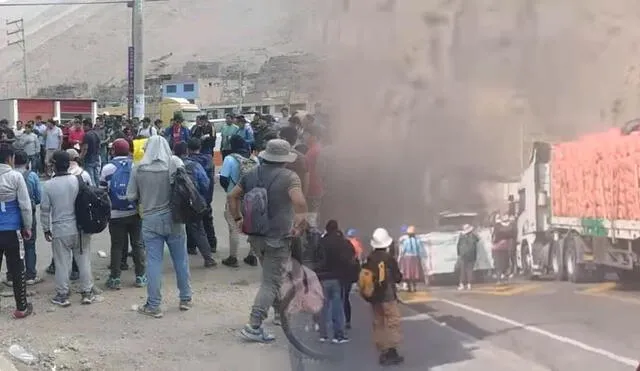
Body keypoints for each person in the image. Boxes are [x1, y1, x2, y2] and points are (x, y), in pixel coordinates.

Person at [227, 139, 307, 342]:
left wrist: (238, 218)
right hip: (279, 237)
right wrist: (299, 225)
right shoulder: (290, 177)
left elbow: (232, 196)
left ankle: (280, 314)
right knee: (271, 281)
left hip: (255, 235)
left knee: (272, 276)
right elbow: (299, 202)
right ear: (284, 159)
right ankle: (254, 325)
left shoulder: (251, 174)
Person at [126, 135, 192, 318]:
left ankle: (154, 304)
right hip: (174, 218)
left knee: (153, 262)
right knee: (181, 259)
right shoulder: (174, 162)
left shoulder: (138, 168)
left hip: (150, 219)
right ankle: (185, 298)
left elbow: (131, 196)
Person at [41, 150, 96, 307]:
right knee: (84, 260)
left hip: (60, 229)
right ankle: (87, 292)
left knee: (61, 263)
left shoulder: (49, 185)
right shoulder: (78, 180)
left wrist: (46, 229)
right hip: (80, 228)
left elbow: (45, 210)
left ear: (54, 166)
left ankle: (63, 295)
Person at [101, 139, 147, 290]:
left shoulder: (107, 168)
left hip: (115, 214)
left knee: (117, 246)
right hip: (134, 211)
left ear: (113, 150)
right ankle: (140, 276)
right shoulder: (135, 165)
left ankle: (115, 278)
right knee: (137, 244)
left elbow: (102, 191)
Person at [0, 144, 34, 318]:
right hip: (12, 230)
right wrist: (27, 226)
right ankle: (21, 307)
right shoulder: (16, 177)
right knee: (17, 268)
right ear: (10, 159)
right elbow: (25, 205)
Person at [173, 141, 217, 268]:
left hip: (175, 203)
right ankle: (208, 258)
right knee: (198, 229)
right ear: (186, 152)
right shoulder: (195, 165)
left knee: (174, 231)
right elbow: (205, 183)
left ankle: (180, 259)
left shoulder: (170, 165)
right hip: (192, 202)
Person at [365, 227, 404, 365]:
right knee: (392, 322)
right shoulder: (388, 259)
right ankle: (392, 352)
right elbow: (398, 277)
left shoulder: (370, 258)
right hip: (388, 296)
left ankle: (382, 351)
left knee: (379, 322)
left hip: (375, 297)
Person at [219, 135, 259, 268]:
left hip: (234, 197)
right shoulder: (253, 159)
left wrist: (230, 189)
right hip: (252, 197)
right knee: (252, 227)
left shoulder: (229, 159)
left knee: (234, 227)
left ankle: (233, 257)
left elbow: (223, 179)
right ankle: (252, 256)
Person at [315, 220, 356, 343]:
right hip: (338, 278)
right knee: (338, 307)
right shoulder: (343, 243)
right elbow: (351, 257)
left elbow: (314, 258)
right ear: (337, 229)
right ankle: (338, 335)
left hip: (322, 278)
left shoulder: (320, 243)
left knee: (323, 306)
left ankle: (323, 334)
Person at [6, 151, 42, 286]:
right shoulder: (32, 176)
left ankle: (11, 276)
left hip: (12, 215)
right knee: (30, 245)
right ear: (27, 162)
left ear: (13, 160)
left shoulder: (9, 175)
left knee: (12, 247)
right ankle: (30, 275)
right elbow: (39, 197)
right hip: (29, 214)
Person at [186, 137, 217, 254]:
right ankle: (212, 245)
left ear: (188, 149)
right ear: (200, 147)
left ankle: (191, 246)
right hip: (207, 196)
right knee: (208, 221)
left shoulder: (187, 162)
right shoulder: (209, 160)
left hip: (192, 198)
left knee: (191, 223)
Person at [303, 124, 324, 228]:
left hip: (313, 189)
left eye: (306, 134)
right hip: (313, 188)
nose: (304, 136)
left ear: (314, 136)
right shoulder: (314, 149)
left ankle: (313, 240)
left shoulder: (315, 151)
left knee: (312, 218)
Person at [279, 125, 309, 195]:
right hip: (296, 195)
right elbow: (306, 181)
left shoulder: (275, 155)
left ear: (283, 138)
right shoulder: (302, 157)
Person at [398, 225, 425, 292]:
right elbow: (420, 250)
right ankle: (414, 287)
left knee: (407, 273)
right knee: (415, 273)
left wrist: (401, 258)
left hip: (407, 258)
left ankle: (409, 287)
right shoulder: (417, 241)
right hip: (415, 257)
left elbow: (403, 250)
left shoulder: (406, 241)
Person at [456, 223, 479, 290]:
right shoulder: (473, 235)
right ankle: (469, 284)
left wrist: (459, 254)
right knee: (470, 270)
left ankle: (462, 284)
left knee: (463, 270)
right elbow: (478, 240)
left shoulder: (461, 236)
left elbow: (458, 245)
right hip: (472, 255)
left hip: (463, 255)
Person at [80, 118, 102, 187]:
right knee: (97, 176)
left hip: (89, 158)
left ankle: (94, 192)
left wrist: (80, 157)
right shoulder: (96, 133)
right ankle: (99, 190)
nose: (82, 127)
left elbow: (85, 148)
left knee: (90, 177)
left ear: (87, 126)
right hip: (96, 157)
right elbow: (99, 145)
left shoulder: (87, 135)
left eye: (83, 126)